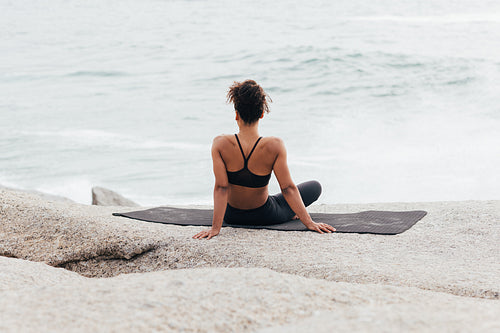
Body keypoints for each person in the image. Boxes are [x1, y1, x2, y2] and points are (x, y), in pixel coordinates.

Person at [193, 80, 336, 239]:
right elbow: (287, 188)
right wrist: (309, 222)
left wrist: (215, 229)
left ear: (236, 114)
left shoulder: (220, 143)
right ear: (261, 114)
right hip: (265, 214)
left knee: (278, 199)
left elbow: (221, 188)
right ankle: (290, 212)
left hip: (232, 215)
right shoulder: (274, 145)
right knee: (315, 187)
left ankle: (288, 211)